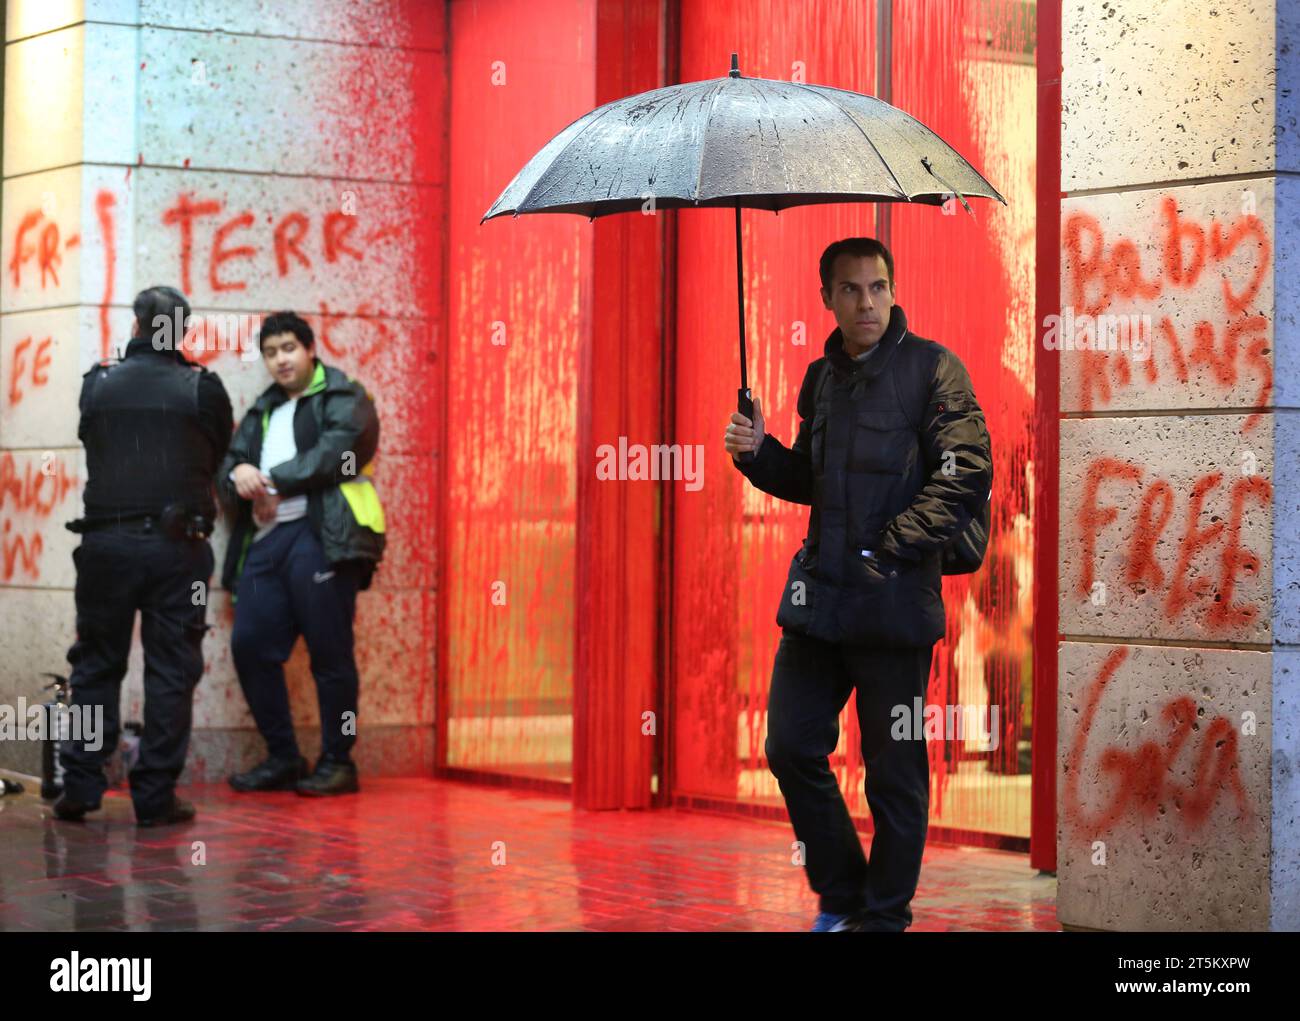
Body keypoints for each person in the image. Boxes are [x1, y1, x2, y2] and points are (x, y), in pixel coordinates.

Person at [724, 237, 992, 932]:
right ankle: (842, 891)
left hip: (895, 607)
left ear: (893, 290)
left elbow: (967, 471)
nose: (866, 301)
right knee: (789, 745)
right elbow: (814, 484)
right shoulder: (820, 378)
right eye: (851, 289)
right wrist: (759, 455)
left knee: (893, 776)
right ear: (829, 298)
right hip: (820, 604)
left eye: (877, 287)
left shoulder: (935, 370)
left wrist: (894, 544)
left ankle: (882, 917)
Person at [55, 286, 233, 826]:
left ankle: (81, 787)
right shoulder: (203, 388)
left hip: (105, 546)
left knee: (95, 664)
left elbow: (92, 440)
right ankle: (154, 797)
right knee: (171, 669)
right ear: (182, 333)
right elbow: (215, 454)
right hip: (177, 550)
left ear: (136, 327)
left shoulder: (98, 384)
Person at [219, 311, 385, 797]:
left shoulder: (344, 394)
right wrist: (238, 474)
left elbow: (341, 452)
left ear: (311, 349)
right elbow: (231, 462)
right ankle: (284, 758)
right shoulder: (262, 408)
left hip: (323, 537)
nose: (280, 360)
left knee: (331, 656)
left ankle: (339, 761)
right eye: (271, 353)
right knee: (249, 645)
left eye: (289, 348)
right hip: (267, 541)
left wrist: (269, 478)